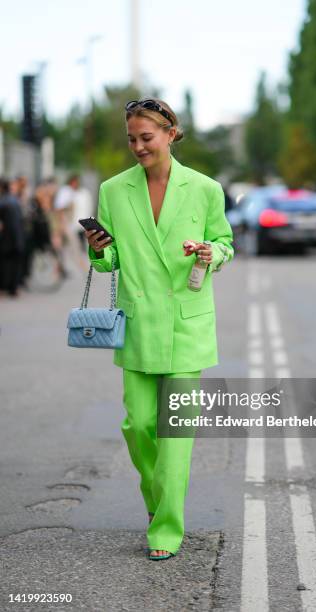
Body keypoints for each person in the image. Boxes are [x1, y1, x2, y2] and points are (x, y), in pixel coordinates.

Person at [85, 98, 234, 561]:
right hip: (138, 326)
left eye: (146, 138)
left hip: (187, 328)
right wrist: (96, 248)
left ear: (171, 134)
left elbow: (225, 242)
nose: (137, 147)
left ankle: (167, 529)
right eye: (131, 138)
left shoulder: (206, 189)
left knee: (175, 436)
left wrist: (211, 251)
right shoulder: (113, 190)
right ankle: (157, 499)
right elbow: (110, 261)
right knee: (139, 425)